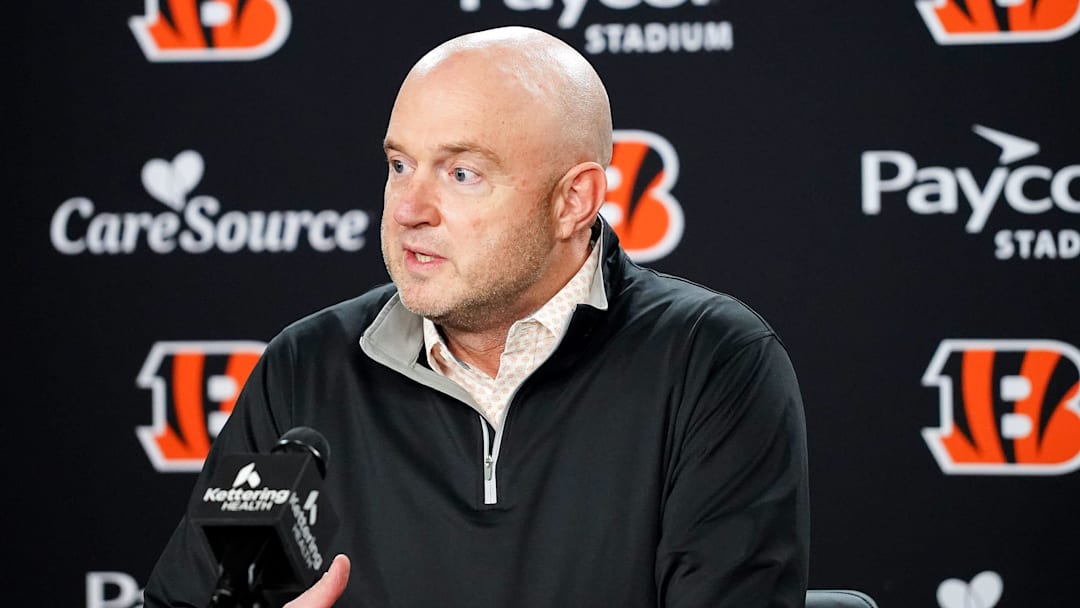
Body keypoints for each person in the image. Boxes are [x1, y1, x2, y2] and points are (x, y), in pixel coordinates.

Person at [145, 25, 809, 608]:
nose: (409, 207)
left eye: (461, 173)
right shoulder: (304, 367)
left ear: (573, 200)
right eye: (399, 164)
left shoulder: (711, 360)